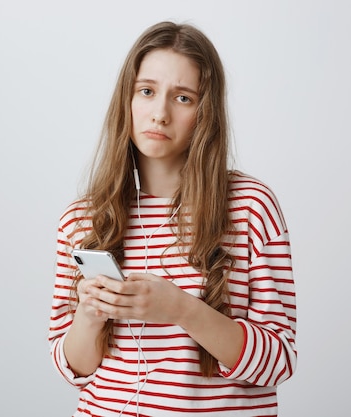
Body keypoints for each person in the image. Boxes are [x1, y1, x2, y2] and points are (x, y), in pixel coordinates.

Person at [48, 21, 297, 417]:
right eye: (146, 91)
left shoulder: (250, 207)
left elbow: (279, 361)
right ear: (126, 101)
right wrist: (89, 314)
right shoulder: (83, 219)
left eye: (183, 98)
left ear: (205, 112)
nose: (159, 113)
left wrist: (182, 309)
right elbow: (73, 370)